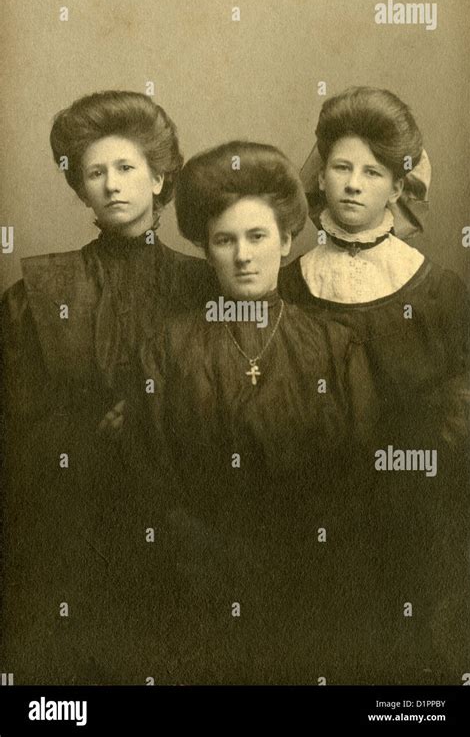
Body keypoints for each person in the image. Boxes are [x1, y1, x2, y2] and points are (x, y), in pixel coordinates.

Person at [139, 140, 386, 684]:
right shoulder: (168, 346)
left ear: (287, 240)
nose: (243, 255)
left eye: (257, 236)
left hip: (314, 581)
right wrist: (210, 557)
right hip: (199, 583)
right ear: (206, 251)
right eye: (224, 240)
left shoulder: (334, 345)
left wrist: (311, 556)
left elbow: (361, 472)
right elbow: (153, 474)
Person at [0, 91, 211, 683]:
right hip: (75, 517)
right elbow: (18, 422)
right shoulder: (40, 294)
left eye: (126, 168)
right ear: (80, 186)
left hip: (182, 517)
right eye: (95, 172)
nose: (112, 185)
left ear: (159, 175)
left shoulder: (205, 285)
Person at [279, 87, 470, 683]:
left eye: (373, 171)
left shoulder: (439, 292)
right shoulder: (288, 285)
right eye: (341, 167)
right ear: (321, 175)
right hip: (307, 506)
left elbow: (464, 401)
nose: (354, 184)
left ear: (398, 185)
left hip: (410, 511)